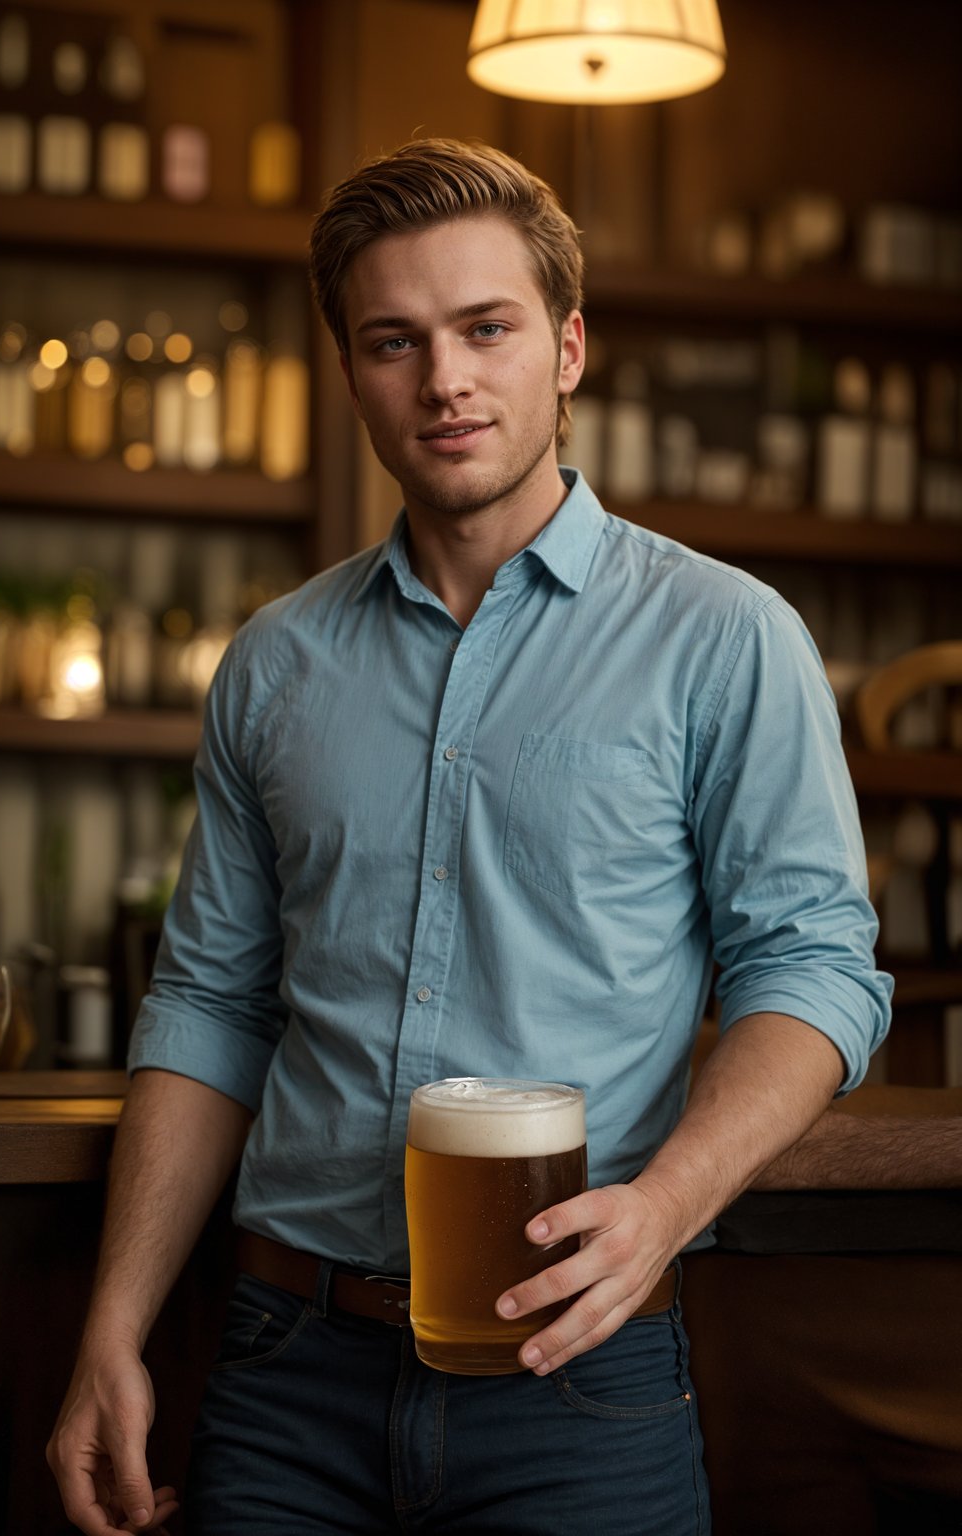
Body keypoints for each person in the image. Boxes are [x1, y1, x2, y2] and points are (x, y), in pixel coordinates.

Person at [47, 138, 892, 1535]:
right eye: (394, 342)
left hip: (580, 1377)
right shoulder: (272, 666)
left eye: (484, 329)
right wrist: (112, 1332)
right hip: (281, 1370)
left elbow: (814, 971)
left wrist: (665, 1205)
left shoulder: (726, 639)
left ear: (565, 347)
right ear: (351, 376)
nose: (443, 380)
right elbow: (209, 1004)